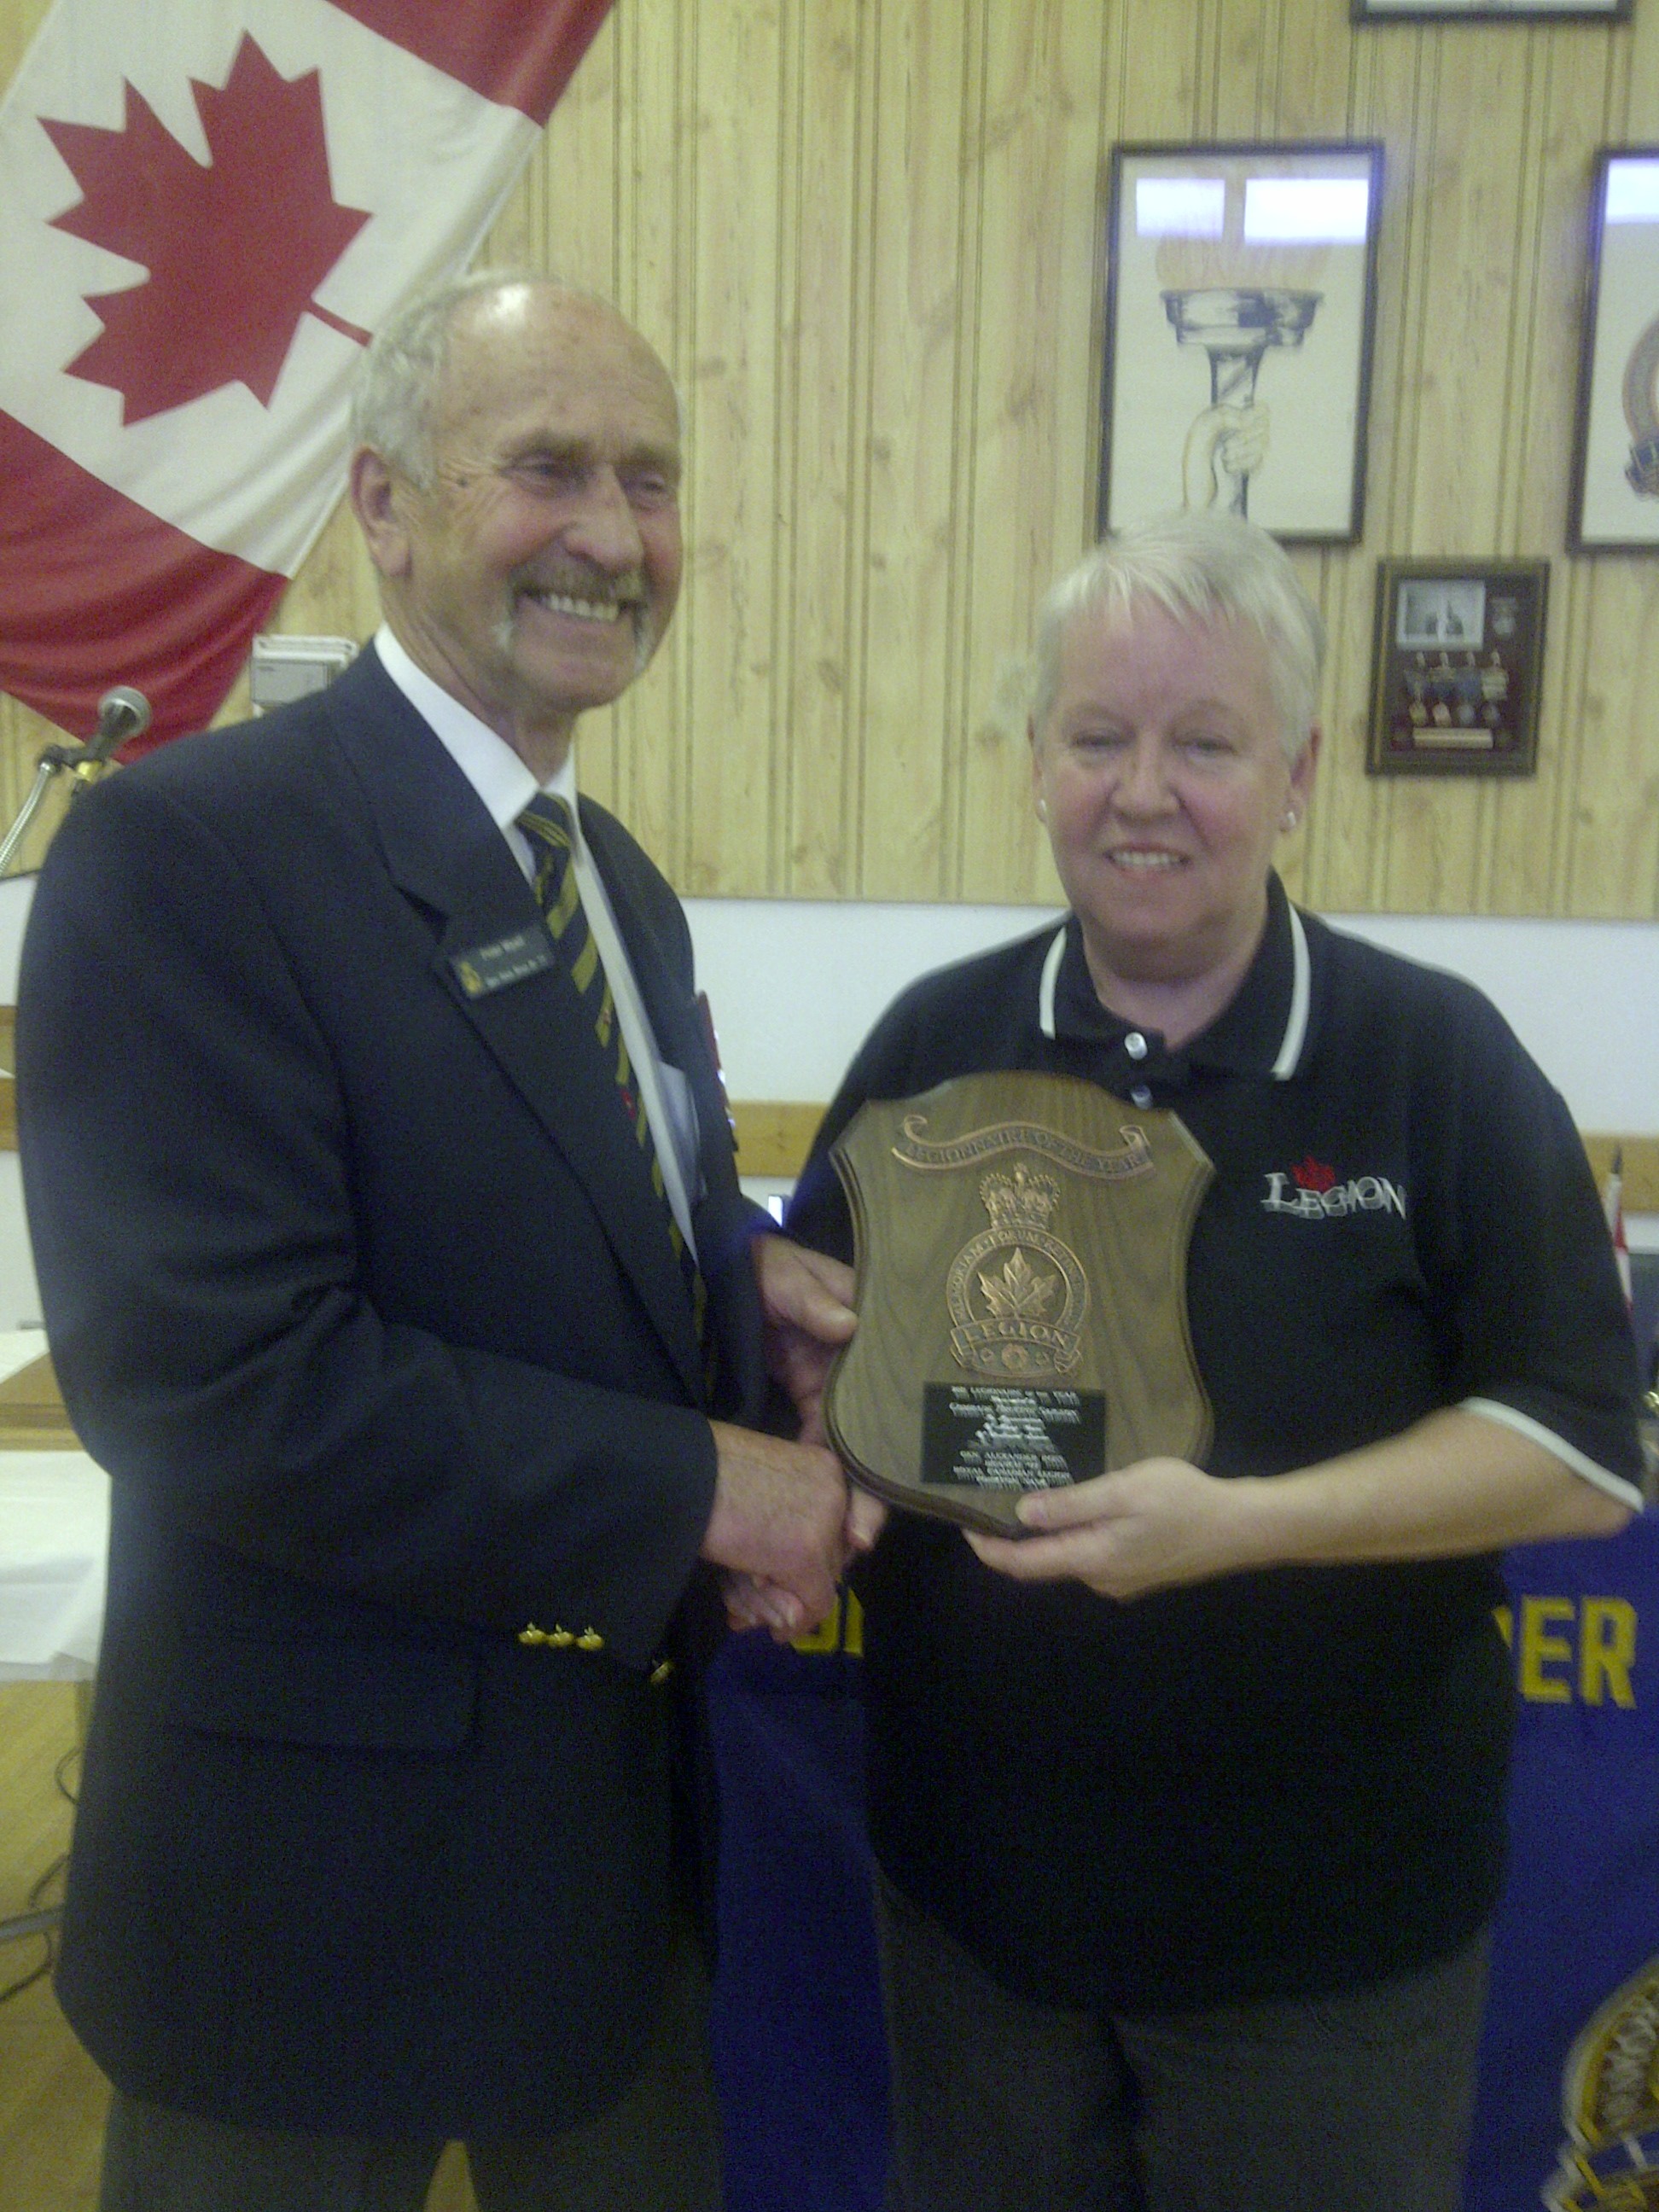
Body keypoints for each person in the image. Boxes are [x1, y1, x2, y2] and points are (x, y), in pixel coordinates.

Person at [15, 271, 865, 2212]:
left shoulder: (616, 890)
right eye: (546, 467)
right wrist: (700, 1483)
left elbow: (542, 1211)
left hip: (605, 1869)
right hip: (305, 1902)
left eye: (648, 481)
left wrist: (733, 1284)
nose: (609, 532)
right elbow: (217, 1384)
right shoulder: (190, 855)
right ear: (384, 505)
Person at [778, 509, 1644, 2212]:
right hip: (978, 1923)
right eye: (1098, 737)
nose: (1144, 790)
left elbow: (1580, 1452)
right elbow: (824, 1356)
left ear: (1300, 773)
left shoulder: (1434, 1062)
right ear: (1035, 763)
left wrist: (1239, 1528)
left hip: (1333, 1950)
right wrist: (805, 1387)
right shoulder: (935, 1046)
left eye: (1205, 742)